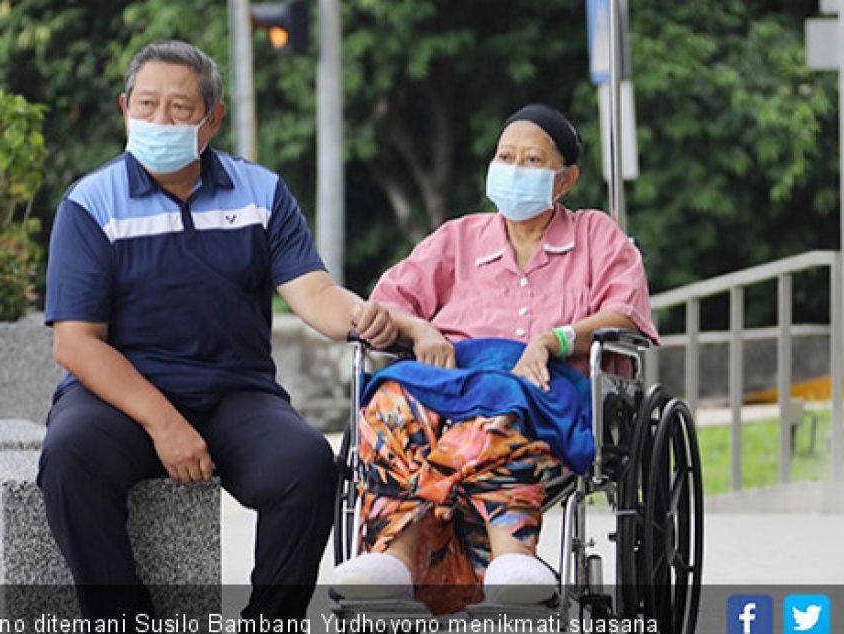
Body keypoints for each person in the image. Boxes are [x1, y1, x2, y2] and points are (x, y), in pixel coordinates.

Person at [38, 40, 398, 622]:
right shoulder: (90, 203)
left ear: (213, 119)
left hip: (235, 392)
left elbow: (315, 294)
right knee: (68, 457)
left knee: (306, 466)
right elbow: (76, 342)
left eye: (180, 108)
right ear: (123, 107)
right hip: (122, 399)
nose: (160, 120)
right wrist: (165, 423)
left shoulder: (262, 194)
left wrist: (366, 318)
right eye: (147, 104)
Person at [331, 104, 659, 613]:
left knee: (502, 401)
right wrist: (421, 330)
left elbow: (626, 313)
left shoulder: (596, 236)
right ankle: (393, 557)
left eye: (532, 160)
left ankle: (512, 554)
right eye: (506, 157)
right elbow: (389, 301)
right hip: (449, 382)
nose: (515, 168)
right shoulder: (457, 238)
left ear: (566, 179)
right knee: (392, 394)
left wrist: (555, 340)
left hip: (547, 392)